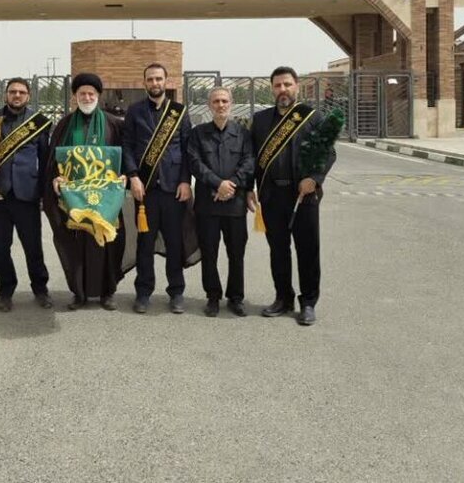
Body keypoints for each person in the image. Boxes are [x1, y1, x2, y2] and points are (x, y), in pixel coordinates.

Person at [249, 66, 336, 326]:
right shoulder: (261, 120)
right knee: (278, 250)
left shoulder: (312, 117)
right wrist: (248, 188)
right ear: (272, 88)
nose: (282, 90)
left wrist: (314, 178)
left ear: (296, 86)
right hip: (272, 194)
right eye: (277, 85)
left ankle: (308, 302)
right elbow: (251, 158)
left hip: (303, 196)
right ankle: (283, 298)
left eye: (287, 84)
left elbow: (327, 153)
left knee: (308, 250)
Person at [42, 73, 128, 310]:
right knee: (74, 245)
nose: (87, 97)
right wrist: (55, 179)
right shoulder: (65, 125)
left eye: (91, 93)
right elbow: (52, 159)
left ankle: (107, 292)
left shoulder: (113, 124)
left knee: (108, 243)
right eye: (82, 94)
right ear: (75, 97)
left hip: (106, 200)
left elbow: (126, 155)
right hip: (74, 201)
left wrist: (125, 175)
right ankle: (79, 293)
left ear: (98, 96)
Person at [122, 63, 194, 314]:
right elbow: (127, 146)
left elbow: (187, 149)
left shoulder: (179, 112)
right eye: (150, 79)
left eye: (159, 79)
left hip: (174, 189)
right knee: (145, 244)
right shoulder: (134, 111)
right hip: (146, 190)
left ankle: (176, 292)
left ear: (167, 81)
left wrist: (186, 180)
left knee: (175, 243)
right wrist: (133, 176)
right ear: (145, 83)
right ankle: (143, 292)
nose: (155, 83)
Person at [0, 78, 53, 312]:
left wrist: (43, 194)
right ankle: (5, 291)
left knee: (33, 247)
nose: (17, 95)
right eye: (12, 92)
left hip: (27, 195)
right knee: (0, 248)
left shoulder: (38, 123)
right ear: (6, 95)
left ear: (28, 96)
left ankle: (40, 289)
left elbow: (46, 160)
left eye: (21, 92)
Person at [186, 86, 255, 317]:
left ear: (231, 103)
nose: (220, 105)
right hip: (208, 205)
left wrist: (230, 185)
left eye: (224, 101)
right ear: (209, 105)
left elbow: (248, 163)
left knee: (236, 254)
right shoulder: (198, 133)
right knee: (210, 253)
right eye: (216, 101)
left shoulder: (243, 134)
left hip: (234, 205)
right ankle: (213, 296)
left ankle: (236, 298)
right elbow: (195, 164)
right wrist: (218, 184)